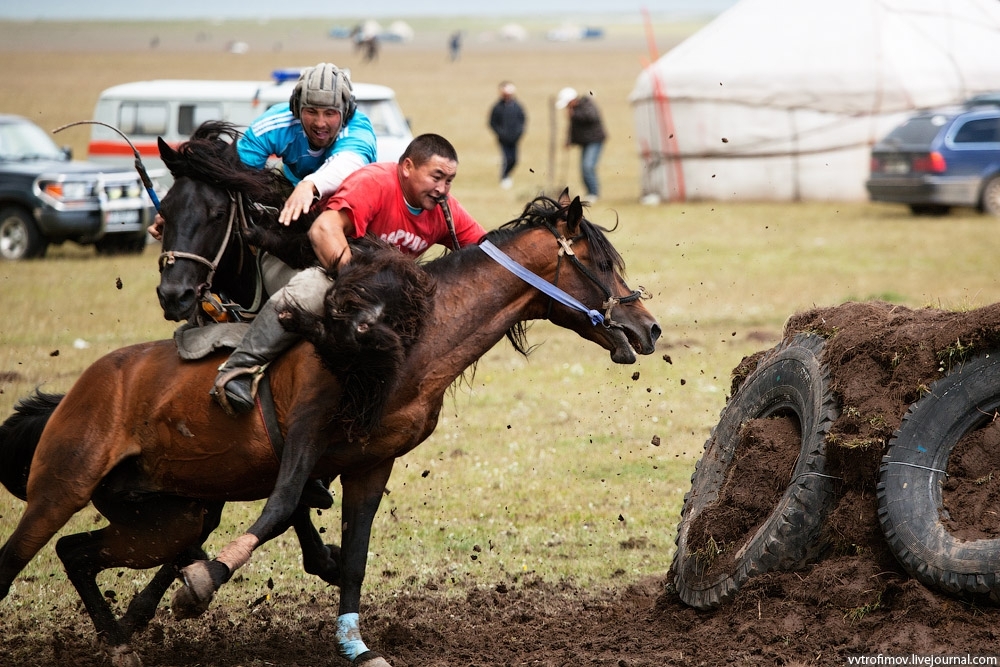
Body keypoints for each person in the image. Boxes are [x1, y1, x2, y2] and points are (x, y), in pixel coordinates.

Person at [213, 133, 487, 417]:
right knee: (309, 293)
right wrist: (361, 288)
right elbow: (323, 231)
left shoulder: (445, 210)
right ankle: (237, 371)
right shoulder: (375, 183)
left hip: (370, 288)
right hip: (306, 259)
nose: (442, 189)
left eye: (449, 181)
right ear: (407, 167)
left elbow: (486, 250)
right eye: (436, 177)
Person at [148, 62, 377, 239]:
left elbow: (347, 164)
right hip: (289, 184)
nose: (319, 122)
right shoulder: (274, 124)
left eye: (329, 113)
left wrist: (310, 185)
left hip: (344, 198)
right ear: (296, 108)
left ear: (346, 113)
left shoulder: (358, 128)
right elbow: (231, 176)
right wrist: (178, 215)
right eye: (311, 111)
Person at [555, 87, 606, 201]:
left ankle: (594, 193)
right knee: (583, 168)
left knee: (588, 166)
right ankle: (590, 193)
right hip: (585, 142)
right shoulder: (574, 110)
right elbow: (573, 128)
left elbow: (591, 117)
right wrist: (568, 141)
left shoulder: (587, 104)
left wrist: (574, 114)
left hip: (594, 140)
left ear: (572, 100)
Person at [488, 81, 526, 190]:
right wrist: (501, 133)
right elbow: (492, 122)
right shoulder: (497, 107)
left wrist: (519, 133)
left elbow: (522, 120)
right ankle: (504, 177)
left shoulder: (517, 106)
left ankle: (507, 175)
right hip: (503, 139)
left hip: (515, 138)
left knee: (514, 159)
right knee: (507, 158)